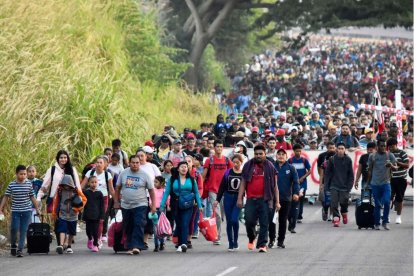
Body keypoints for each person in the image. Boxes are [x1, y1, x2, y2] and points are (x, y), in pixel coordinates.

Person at [237, 144, 280, 253]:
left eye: (261, 154)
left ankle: (262, 245)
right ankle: (252, 238)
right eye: (256, 154)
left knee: (264, 223)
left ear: (265, 154)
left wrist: (277, 202)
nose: (258, 156)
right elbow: (243, 183)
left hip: (265, 200)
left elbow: (275, 186)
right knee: (249, 221)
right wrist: (240, 198)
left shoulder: (270, 167)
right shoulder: (248, 165)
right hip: (251, 199)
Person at [113, 155, 156, 255]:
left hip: (141, 204)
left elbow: (151, 191)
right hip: (126, 205)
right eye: (133, 162)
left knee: (138, 223)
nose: (135, 164)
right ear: (129, 163)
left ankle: (136, 246)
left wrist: (153, 205)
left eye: (137, 162)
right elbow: (118, 188)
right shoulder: (123, 173)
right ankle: (129, 246)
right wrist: (116, 201)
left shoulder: (145, 175)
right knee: (128, 226)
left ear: (139, 163)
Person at [36, 150, 82, 244]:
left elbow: (77, 184)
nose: (63, 159)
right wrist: (39, 196)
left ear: (68, 158)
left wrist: (80, 198)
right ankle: (60, 244)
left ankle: (66, 242)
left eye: (65, 157)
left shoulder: (72, 169)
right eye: (61, 157)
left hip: (70, 199)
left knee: (70, 220)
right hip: (55, 200)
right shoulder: (52, 170)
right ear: (57, 158)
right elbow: (45, 185)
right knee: (58, 221)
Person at [160, 161, 203, 253]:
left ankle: (183, 244)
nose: (184, 168)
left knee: (185, 223)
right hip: (175, 204)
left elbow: (196, 192)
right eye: (182, 167)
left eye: (186, 167)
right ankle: (179, 243)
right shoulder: (173, 179)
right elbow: (167, 192)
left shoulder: (191, 180)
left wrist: (199, 205)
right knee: (179, 224)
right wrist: (162, 204)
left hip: (188, 205)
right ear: (178, 169)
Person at [0, 165, 41, 257]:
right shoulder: (12, 185)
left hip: (27, 211)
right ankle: (13, 245)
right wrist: (0, 208)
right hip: (16, 211)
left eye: (24, 174)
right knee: (14, 228)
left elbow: (32, 197)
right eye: (21, 174)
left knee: (23, 230)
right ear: (16, 174)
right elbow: (6, 196)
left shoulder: (28, 184)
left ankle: (20, 250)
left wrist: (37, 209)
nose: (23, 176)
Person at [202, 139, 233, 245]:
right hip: (213, 190)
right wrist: (200, 190)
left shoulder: (227, 160)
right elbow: (203, 176)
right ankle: (217, 236)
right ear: (214, 148)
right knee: (217, 214)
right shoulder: (209, 160)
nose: (219, 148)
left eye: (221, 146)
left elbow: (232, 174)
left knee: (223, 215)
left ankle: (220, 231)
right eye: (217, 146)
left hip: (225, 191)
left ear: (223, 148)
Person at [81, 156, 114, 245]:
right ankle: (91, 237)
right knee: (90, 219)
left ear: (105, 165)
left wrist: (117, 201)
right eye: (97, 162)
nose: (99, 164)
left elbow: (111, 189)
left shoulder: (107, 175)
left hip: (103, 198)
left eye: (101, 163)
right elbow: (82, 185)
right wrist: (77, 196)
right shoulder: (90, 172)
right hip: (91, 198)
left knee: (100, 219)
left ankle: (98, 239)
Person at [213, 154, 243, 251]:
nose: (235, 164)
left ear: (241, 163)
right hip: (228, 198)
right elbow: (222, 187)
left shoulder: (244, 174)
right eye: (234, 162)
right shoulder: (228, 172)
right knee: (229, 221)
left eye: (237, 162)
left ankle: (236, 241)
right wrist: (217, 200)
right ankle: (231, 243)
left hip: (238, 199)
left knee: (234, 219)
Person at [367, 140, 398, 230]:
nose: (383, 148)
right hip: (375, 183)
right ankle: (377, 223)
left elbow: (396, 168)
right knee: (377, 204)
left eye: (385, 146)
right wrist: (367, 183)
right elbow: (370, 170)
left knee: (387, 202)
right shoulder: (372, 156)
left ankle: (385, 222)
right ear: (377, 147)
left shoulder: (390, 155)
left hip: (386, 183)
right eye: (381, 146)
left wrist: (391, 165)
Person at [52, 174, 87, 254]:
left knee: (71, 232)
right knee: (62, 229)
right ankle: (61, 245)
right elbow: (57, 202)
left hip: (73, 215)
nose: (66, 186)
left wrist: (77, 209)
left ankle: (69, 246)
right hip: (63, 214)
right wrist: (55, 213)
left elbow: (84, 199)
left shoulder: (76, 190)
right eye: (64, 184)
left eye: (68, 184)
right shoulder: (60, 191)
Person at [274, 148, 300, 248]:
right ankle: (272, 239)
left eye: (283, 154)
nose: (280, 156)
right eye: (279, 154)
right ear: (276, 156)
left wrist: (296, 193)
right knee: (270, 220)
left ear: (286, 157)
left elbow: (296, 182)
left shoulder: (291, 168)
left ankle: (280, 241)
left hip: (285, 198)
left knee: (282, 220)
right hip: (272, 198)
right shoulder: (272, 166)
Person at [324, 143, 354, 227]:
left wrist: (349, 186)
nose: (340, 150)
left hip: (344, 186)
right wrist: (326, 185)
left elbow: (351, 175)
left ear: (345, 150)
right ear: (336, 149)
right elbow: (328, 174)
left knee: (343, 202)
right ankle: (336, 218)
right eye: (339, 148)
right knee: (333, 203)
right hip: (334, 185)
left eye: (342, 148)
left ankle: (344, 213)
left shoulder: (348, 160)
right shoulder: (332, 159)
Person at [288, 144, 311, 228]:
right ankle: (293, 215)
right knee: (294, 200)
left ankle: (299, 216)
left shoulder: (304, 160)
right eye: (297, 151)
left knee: (301, 199)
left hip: (302, 183)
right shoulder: (290, 160)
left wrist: (303, 177)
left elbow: (309, 171)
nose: (298, 152)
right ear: (293, 151)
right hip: (293, 184)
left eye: (300, 151)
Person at [387, 138, 409, 224]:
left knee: (399, 198)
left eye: (392, 147)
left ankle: (398, 217)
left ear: (396, 145)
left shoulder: (402, 153)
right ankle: (387, 216)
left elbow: (407, 165)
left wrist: (397, 162)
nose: (391, 149)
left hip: (401, 179)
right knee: (388, 198)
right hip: (390, 179)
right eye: (389, 147)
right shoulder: (388, 154)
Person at [83, 176, 105, 252]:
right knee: (88, 230)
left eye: (95, 182)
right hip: (88, 215)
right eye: (92, 182)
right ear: (89, 183)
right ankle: (90, 239)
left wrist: (102, 216)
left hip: (97, 215)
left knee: (95, 231)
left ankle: (95, 244)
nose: (94, 184)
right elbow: (82, 203)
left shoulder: (99, 193)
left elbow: (102, 206)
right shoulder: (86, 192)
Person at [185, 155, 203, 243]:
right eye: (186, 161)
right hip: (181, 200)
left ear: (192, 163)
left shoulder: (196, 174)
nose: (187, 163)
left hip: (193, 200)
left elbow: (200, 188)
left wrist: (197, 199)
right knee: (182, 219)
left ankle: (189, 238)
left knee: (191, 219)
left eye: (189, 161)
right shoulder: (179, 174)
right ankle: (181, 237)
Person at [317, 142, 336, 221]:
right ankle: (325, 210)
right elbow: (320, 172)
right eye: (330, 148)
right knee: (324, 199)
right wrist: (320, 184)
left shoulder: (337, 156)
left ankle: (331, 214)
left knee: (333, 199)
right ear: (327, 148)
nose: (331, 149)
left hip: (335, 181)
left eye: (333, 148)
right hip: (325, 181)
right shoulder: (322, 156)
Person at [152, 176, 167, 252]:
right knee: (155, 228)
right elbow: (151, 200)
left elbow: (167, 199)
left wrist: (168, 205)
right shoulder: (152, 190)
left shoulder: (164, 191)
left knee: (161, 227)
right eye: (154, 182)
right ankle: (156, 245)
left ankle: (162, 242)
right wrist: (151, 206)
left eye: (156, 182)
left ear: (161, 183)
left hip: (162, 210)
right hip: (154, 210)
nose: (154, 183)